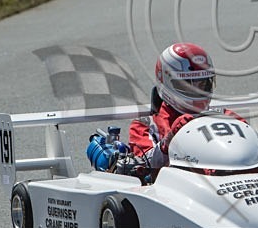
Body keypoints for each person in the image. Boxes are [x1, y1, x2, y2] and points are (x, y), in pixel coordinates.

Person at [87, 42, 238, 176]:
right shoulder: (146, 125)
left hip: (231, 186)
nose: (197, 90)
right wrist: (168, 142)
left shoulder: (225, 116)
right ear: (167, 83)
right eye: (188, 84)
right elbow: (143, 167)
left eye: (202, 83)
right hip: (179, 192)